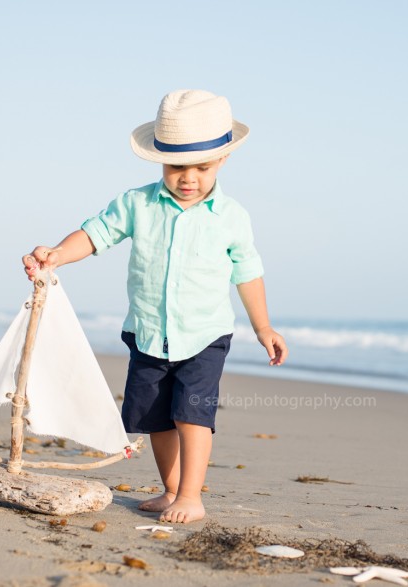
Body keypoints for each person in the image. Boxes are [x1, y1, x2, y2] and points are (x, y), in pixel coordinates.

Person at [22, 89, 288, 523]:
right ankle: (170, 489)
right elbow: (95, 235)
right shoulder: (137, 204)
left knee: (193, 415)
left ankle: (191, 495)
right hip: (148, 331)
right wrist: (55, 252)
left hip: (205, 335)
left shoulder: (232, 216)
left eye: (201, 167)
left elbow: (247, 272)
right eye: (176, 166)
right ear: (158, 161)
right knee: (156, 418)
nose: (188, 178)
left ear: (222, 161)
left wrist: (264, 328)